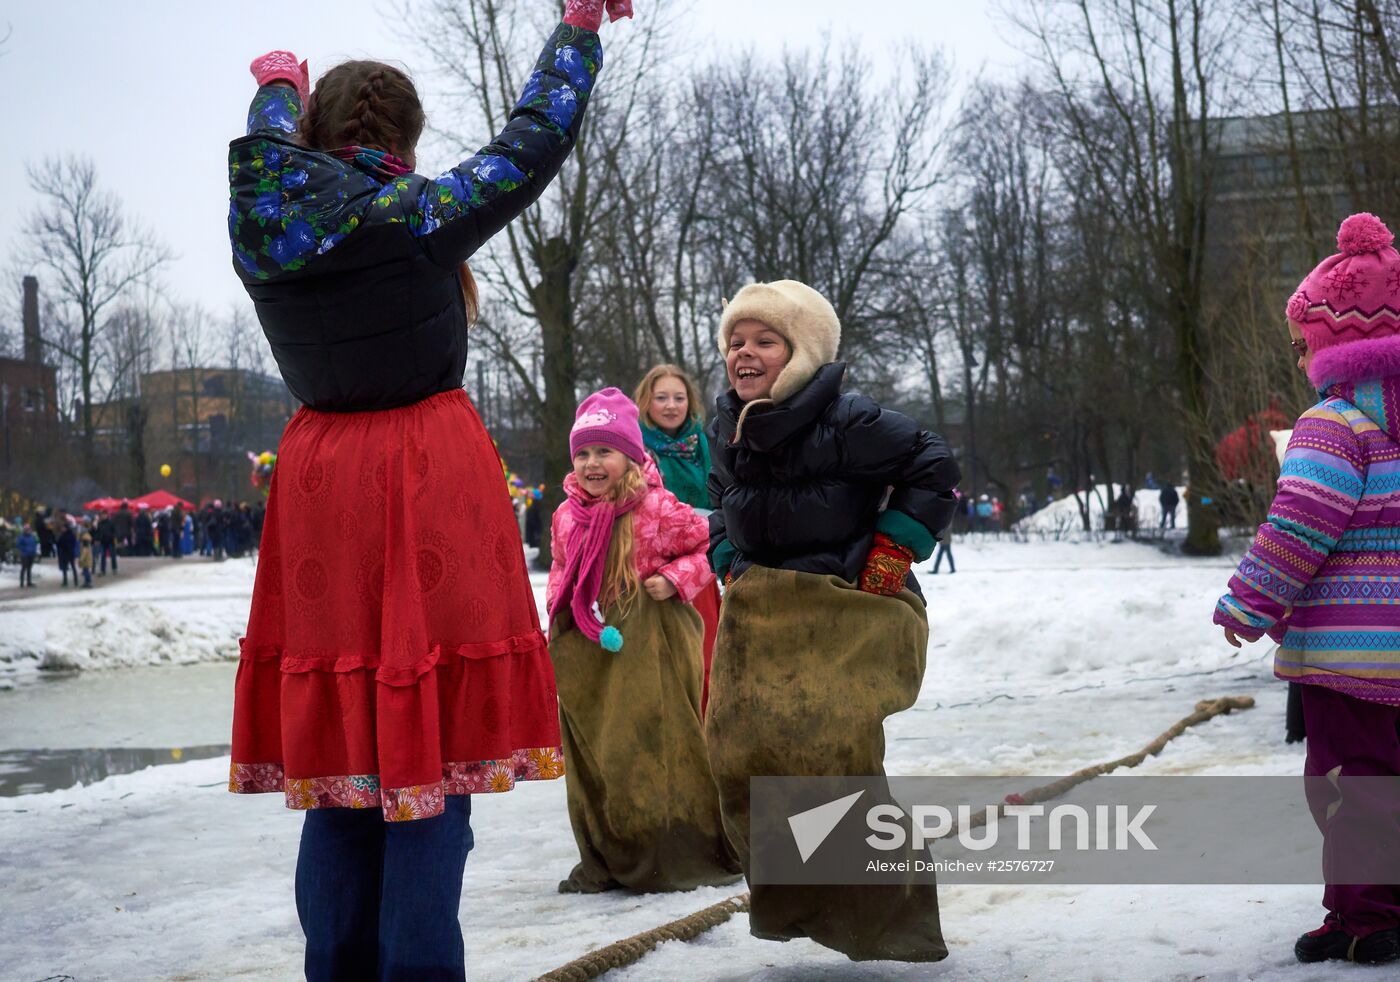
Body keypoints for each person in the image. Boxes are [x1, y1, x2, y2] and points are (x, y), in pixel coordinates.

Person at [226, 5, 626, 978]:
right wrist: (574, 29)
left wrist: (277, 80)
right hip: (417, 473)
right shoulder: (417, 215)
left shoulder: (261, 204)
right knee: (427, 755)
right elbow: (536, 136)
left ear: (316, 130)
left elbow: (273, 128)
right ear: (402, 141)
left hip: (319, 483)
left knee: (341, 773)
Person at [705, 280, 960, 962]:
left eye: (765, 341)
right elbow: (718, 495)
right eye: (736, 341)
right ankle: (801, 903)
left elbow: (935, 465)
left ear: (801, 352)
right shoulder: (723, 424)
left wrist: (894, 546)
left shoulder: (848, 419)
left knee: (827, 757)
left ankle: (888, 916)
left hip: (840, 599)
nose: (746, 353)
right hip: (760, 610)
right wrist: (726, 553)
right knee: (739, 754)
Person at [1215, 213, 1400, 966]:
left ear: (1334, 345)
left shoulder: (1333, 425)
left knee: (1348, 784)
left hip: (1352, 656)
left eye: (1301, 345)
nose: (1296, 360)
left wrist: (1250, 601)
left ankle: (1367, 916)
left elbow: (1300, 526)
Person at [547, 388, 739, 894]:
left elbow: (708, 546)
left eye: (604, 451)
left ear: (629, 456)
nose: (591, 463)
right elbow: (562, 570)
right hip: (591, 640)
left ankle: (672, 847)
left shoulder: (656, 507)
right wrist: (558, 615)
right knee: (601, 747)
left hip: (652, 638)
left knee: (654, 739)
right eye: (583, 452)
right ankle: (611, 847)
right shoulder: (568, 514)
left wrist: (676, 579)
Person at [633, 363, 722, 714]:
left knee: (706, 663)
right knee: (661, 671)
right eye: (661, 397)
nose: (671, 405)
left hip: (702, 568)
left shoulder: (706, 444)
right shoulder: (634, 449)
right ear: (646, 403)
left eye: (679, 397)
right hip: (652, 575)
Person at [56, 520, 77, 587]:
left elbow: (71, 543)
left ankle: (75, 580)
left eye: (63, 528)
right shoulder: (63, 535)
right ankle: (65, 581)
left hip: (69, 553)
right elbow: (58, 543)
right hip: (65, 553)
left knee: (72, 567)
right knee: (65, 568)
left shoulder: (69, 535)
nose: (62, 529)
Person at [96, 511, 118, 575]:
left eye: (104, 515)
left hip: (110, 541)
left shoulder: (111, 523)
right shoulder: (100, 523)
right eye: (102, 515)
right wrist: (97, 539)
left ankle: (114, 568)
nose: (103, 516)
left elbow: (114, 531)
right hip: (103, 541)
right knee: (103, 556)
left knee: (113, 556)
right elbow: (98, 532)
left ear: (106, 515)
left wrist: (113, 537)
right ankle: (103, 570)